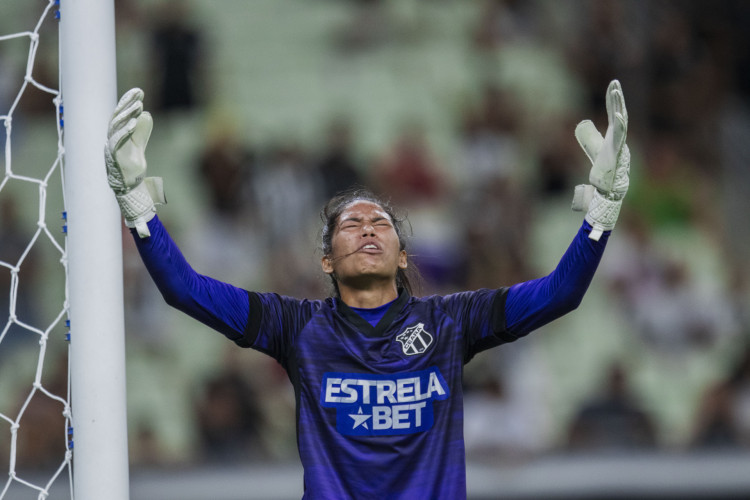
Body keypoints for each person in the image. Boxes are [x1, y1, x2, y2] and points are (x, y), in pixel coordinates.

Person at [104, 80, 630, 499]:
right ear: (327, 260)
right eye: (351, 225)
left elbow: (561, 292)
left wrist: (602, 210)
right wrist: (134, 201)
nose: (368, 228)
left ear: (403, 255)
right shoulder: (296, 327)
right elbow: (183, 289)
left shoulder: (450, 323)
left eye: (380, 222)